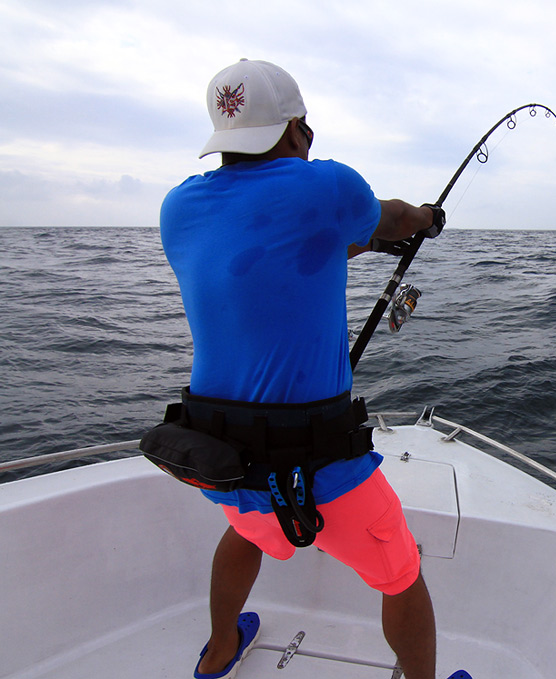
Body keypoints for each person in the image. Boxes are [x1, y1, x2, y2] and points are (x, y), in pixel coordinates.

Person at [160, 59, 451, 679]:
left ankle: (216, 654)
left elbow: (273, 247)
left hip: (222, 464)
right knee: (401, 575)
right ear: (295, 129)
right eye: (306, 128)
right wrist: (427, 217)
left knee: (246, 531)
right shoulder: (325, 187)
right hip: (324, 470)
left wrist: (352, 242)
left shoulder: (178, 208)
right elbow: (392, 219)